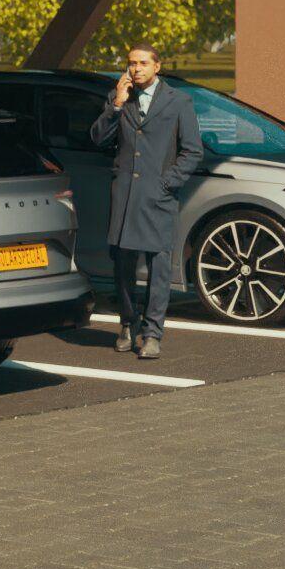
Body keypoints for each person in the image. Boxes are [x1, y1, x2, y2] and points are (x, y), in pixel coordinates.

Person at [88, 45, 208, 361]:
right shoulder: (120, 99)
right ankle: (128, 323)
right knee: (122, 266)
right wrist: (116, 103)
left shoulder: (178, 101)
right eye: (131, 63)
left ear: (157, 66)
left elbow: (192, 150)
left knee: (158, 269)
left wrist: (167, 183)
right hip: (125, 196)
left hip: (159, 198)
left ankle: (153, 333)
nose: (136, 68)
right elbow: (98, 138)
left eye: (142, 63)